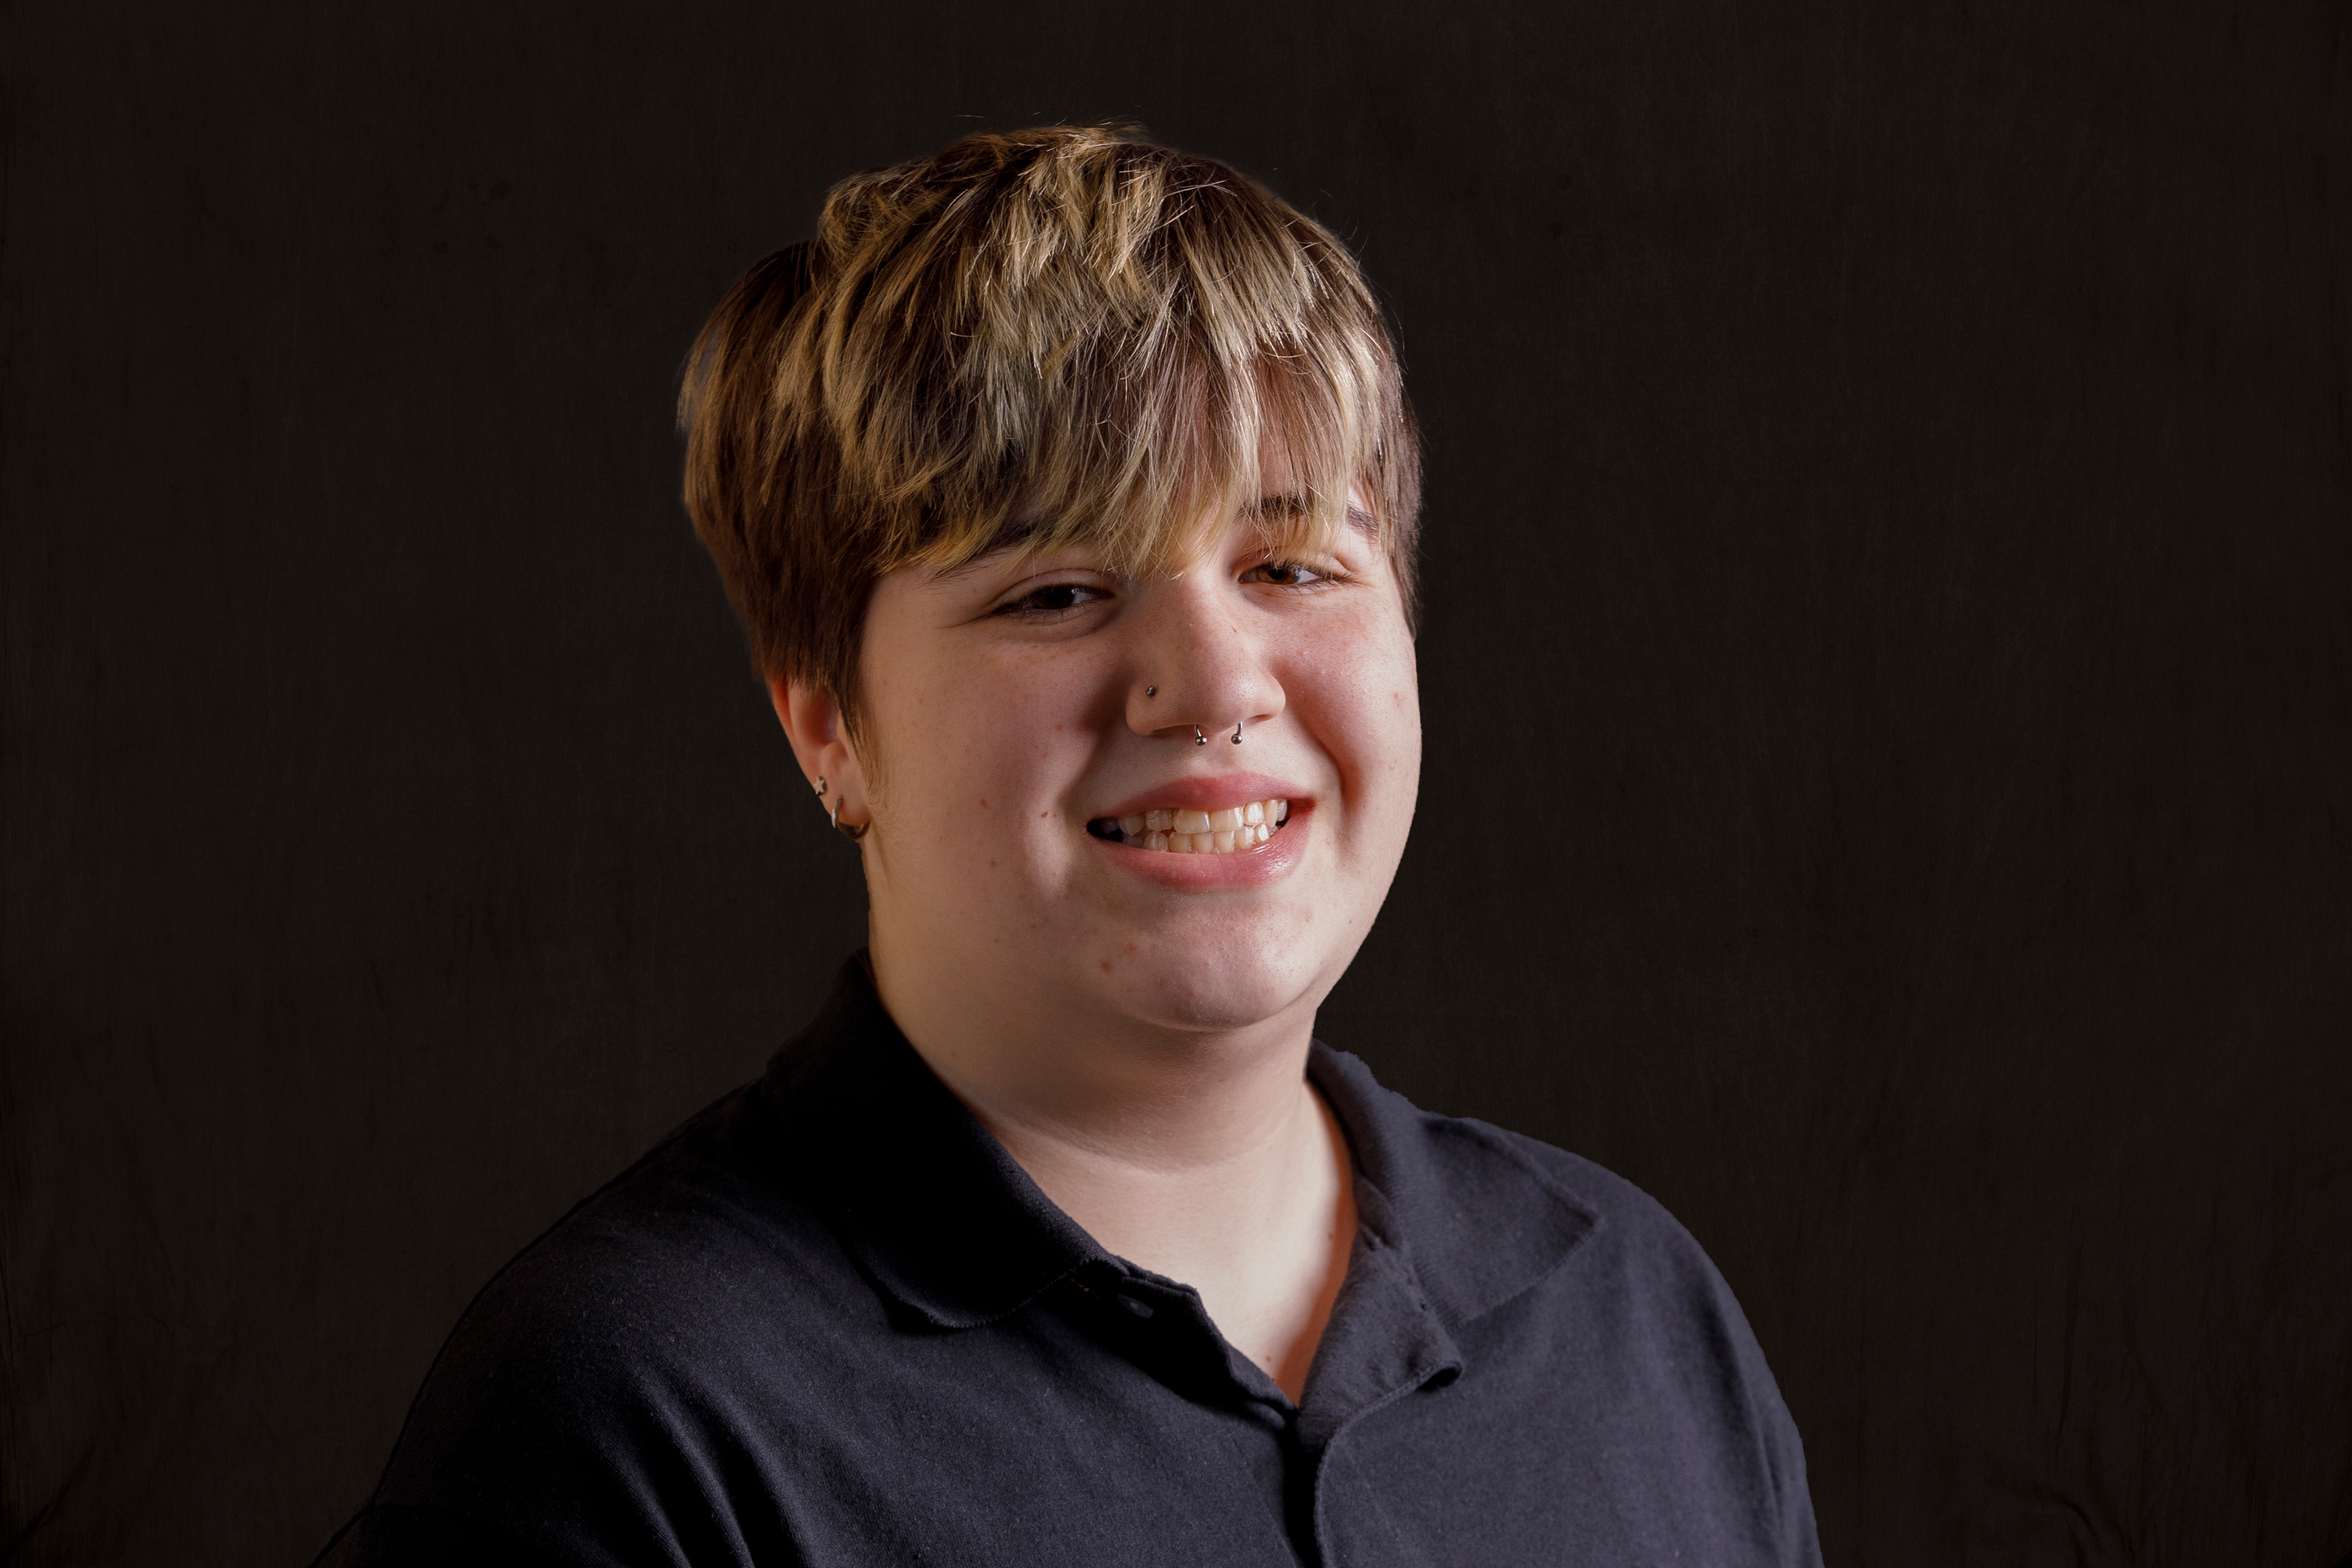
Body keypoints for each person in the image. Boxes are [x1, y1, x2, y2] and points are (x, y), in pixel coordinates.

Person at [317, 124, 1821, 1566]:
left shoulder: (1631, 1312)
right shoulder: (625, 1428)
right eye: (1055, 593)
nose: (1215, 685)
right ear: (828, 725)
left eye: (1293, 565)